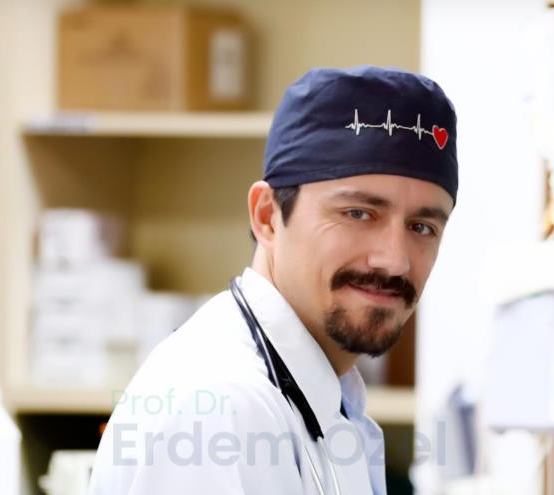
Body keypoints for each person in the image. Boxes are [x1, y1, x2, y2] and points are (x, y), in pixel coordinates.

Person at [88, 65, 458, 494]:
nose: (394, 261)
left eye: (422, 227)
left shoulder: (323, 396)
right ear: (267, 216)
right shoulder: (219, 410)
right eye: (358, 214)